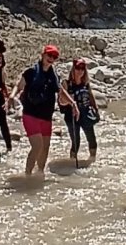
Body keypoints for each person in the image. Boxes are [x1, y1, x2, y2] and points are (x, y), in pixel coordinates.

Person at [14, 45, 79, 176]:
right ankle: (27, 175)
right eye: (49, 55)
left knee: (45, 148)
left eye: (54, 57)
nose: (51, 59)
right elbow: (19, 85)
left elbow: (60, 90)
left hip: (46, 116)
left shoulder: (53, 75)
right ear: (43, 55)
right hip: (31, 114)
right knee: (37, 146)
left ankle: (40, 173)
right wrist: (11, 96)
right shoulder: (31, 72)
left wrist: (73, 103)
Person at [60, 58, 100, 163]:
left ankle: (92, 161)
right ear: (73, 69)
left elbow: (91, 96)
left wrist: (96, 109)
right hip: (71, 116)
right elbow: (61, 101)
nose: (80, 71)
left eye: (83, 68)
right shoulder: (66, 84)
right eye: (78, 68)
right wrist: (70, 101)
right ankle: (72, 162)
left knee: (92, 139)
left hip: (85, 114)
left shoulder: (85, 83)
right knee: (76, 141)